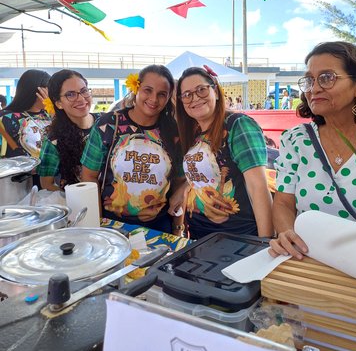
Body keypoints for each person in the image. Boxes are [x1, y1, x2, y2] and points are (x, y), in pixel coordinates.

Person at [269, 41, 356, 260]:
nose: (314, 88)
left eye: (327, 78)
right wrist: (286, 233)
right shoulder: (296, 139)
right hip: (309, 265)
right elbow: (283, 203)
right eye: (309, 80)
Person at [169, 66, 273, 240]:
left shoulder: (237, 125)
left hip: (237, 237)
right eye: (187, 95)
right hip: (198, 234)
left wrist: (265, 243)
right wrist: (185, 188)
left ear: (215, 91)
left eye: (201, 90)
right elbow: (205, 175)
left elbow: (258, 187)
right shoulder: (194, 135)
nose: (194, 98)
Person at [81, 65, 183, 234]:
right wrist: (98, 224)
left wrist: (178, 227)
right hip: (112, 225)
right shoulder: (108, 124)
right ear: (136, 88)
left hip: (158, 226)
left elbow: (180, 181)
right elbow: (89, 175)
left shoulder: (174, 132)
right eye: (147, 90)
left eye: (161, 94)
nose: (153, 99)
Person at [38, 70, 100, 191]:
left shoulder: (107, 124)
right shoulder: (54, 140)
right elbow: (46, 184)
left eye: (84, 91)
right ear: (59, 103)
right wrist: (73, 195)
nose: (81, 99)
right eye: (70, 94)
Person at [0, 69, 51, 158]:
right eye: (50, 90)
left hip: (48, 169)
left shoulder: (50, 114)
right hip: (19, 169)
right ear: (38, 91)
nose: (53, 95)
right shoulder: (7, 118)